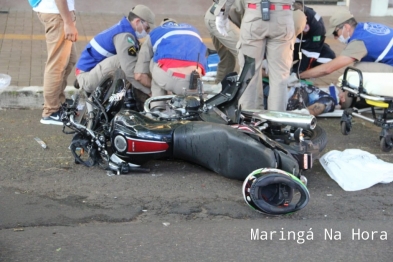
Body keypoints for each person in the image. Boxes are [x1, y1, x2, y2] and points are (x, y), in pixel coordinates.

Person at [294, 9, 393, 108]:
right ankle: (367, 97)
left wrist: (298, 76)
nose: (336, 38)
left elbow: (328, 68)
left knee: (356, 72)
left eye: (335, 33)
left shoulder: (359, 42)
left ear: (346, 27)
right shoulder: (364, 27)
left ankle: (350, 103)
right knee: (362, 66)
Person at [214, 0, 295, 111]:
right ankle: (277, 123)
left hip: (254, 13)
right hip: (283, 15)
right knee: (280, 77)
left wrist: (222, 13)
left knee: (249, 74)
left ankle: (249, 120)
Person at [75, 5, 155, 97]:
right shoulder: (124, 36)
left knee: (131, 59)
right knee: (125, 62)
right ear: (137, 22)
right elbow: (129, 71)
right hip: (86, 77)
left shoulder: (123, 28)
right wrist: (150, 91)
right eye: (147, 28)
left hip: (91, 71)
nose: (147, 32)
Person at [134, 19, 207, 109]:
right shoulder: (193, 30)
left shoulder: (156, 32)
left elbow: (139, 75)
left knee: (154, 60)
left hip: (168, 79)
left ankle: (157, 108)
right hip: (194, 82)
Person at [33, 0, 78, 125]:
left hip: (57, 12)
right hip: (57, 13)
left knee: (69, 59)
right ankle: (51, 111)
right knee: (57, 65)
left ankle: (59, 101)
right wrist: (68, 22)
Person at [204, 0, 244, 85]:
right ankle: (245, 95)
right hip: (219, 18)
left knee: (227, 61)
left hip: (225, 16)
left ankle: (219, 92)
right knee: (247, 56)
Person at [292, 1, 335, 74]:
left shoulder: (316, 24)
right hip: (286, 44)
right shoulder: (281, 18)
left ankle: (295, 71)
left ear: (305, 17)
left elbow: (312, 51)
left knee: (328, 57)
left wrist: (298, 73)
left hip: (306, 44)